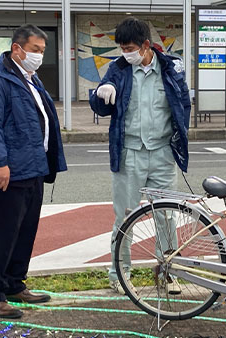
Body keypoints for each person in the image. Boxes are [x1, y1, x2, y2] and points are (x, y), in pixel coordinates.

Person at [89, 17, 190, 295]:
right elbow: (100, 105)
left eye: (131, 47)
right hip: (129, 152)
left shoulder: (170, 69)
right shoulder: (118, 70)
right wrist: (100, 93)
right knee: (124, 216)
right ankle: (119, 273)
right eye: (122, 48)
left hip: (161, 153)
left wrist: (180, 138)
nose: (127, 53)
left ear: (147, 45)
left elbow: (183, 105)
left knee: (167, 216)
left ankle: (168, 270)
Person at [0, 24, 67, 318]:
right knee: (4, 231)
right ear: (17, 49)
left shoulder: (30, 78)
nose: (39, 56)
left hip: (33, 167)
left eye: (42, 51)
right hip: (10, 170)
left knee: (26, 230)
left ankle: (15, 283)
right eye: (35, 50)